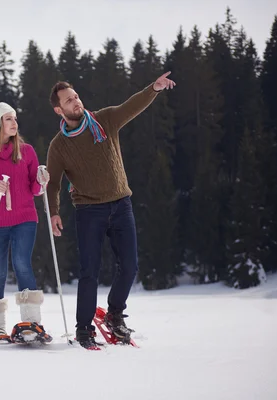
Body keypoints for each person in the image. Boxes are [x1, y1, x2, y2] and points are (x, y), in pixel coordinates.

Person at [45, 72, 176, 349]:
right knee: (89, 272)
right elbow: (54, 183)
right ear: (59, 109)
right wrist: (54, 212)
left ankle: (115, 314)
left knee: (129, 266)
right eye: (69, 100)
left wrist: (153, 88)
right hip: (88, 210)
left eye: (76, 96)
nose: (76, 102)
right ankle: (83, 328)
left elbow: (131, 106)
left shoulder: (104, 120)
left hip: (121, 204)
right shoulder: (58, 146)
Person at [0, 100, 51, 343]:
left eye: (14, 118)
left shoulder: (26, 151)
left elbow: (35, 189)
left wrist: (41, 180)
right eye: (8, 119)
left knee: (22, 263)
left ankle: (31, 324)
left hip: (24, 217)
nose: (14, 123)